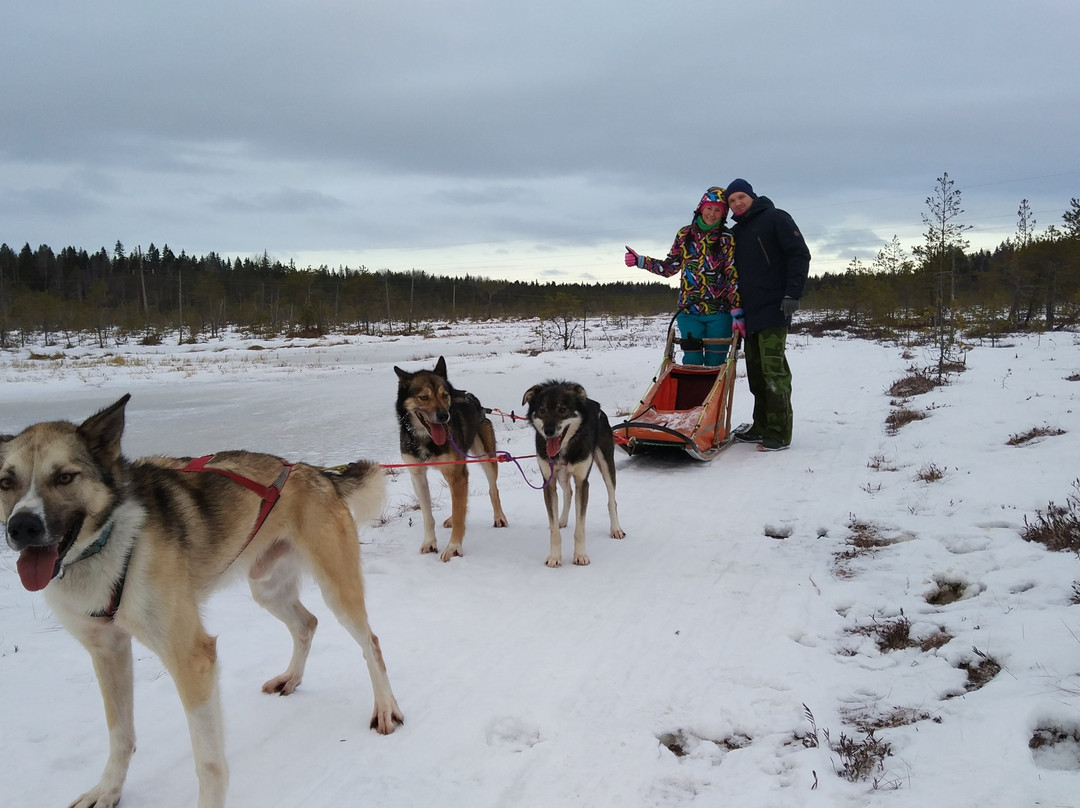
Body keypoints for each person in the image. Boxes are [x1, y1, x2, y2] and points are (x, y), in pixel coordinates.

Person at [725, 178, 811, 452]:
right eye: (732, 201)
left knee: (774, 372)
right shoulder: (737, 232)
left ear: (751, 196)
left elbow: (799, 254)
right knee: (757, 374)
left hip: (775, 309)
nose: (737, 203)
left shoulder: (775, 218)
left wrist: (792, 293)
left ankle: (779, 432)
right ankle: (760, 425)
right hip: (749, 314)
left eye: (741, 197)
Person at [625, 186, 743, 366]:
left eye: (718, 210)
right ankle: (694, 395)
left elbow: (731, 275)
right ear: (701, 207)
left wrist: (736, 309)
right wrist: (641, 261)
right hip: (689, 311)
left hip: (719, 312)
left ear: (724, 213)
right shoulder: (684, 234)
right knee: (692, 362)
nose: (712, 214)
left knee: (716, 363)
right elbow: (670, 267)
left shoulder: (727, 237)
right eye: (709, 207)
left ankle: (713, 395)